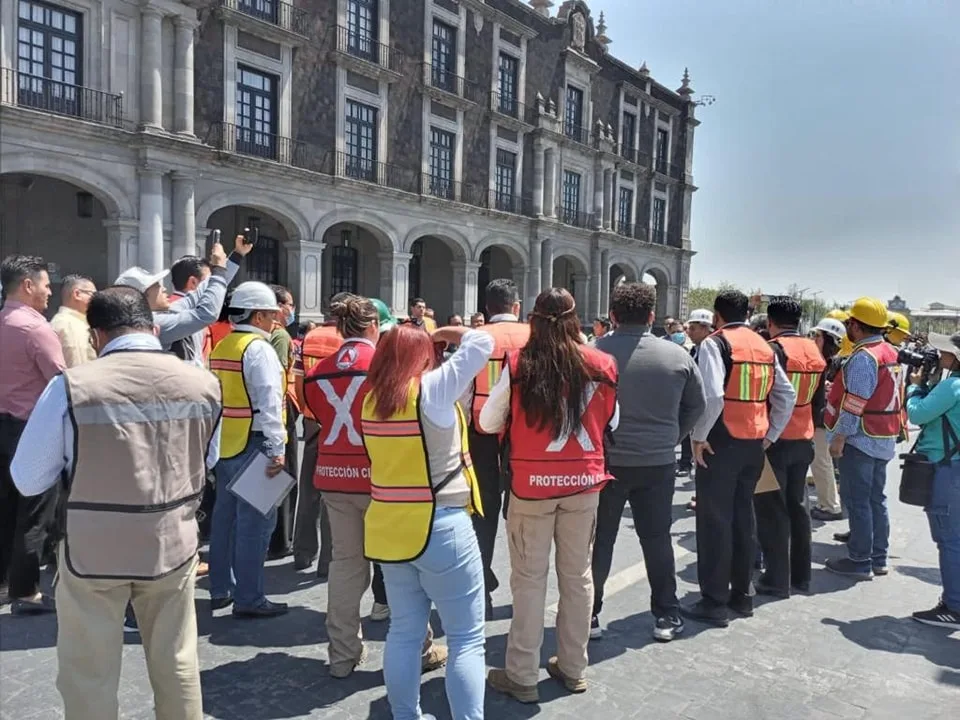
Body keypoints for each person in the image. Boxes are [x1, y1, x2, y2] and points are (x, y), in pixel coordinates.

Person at [10, 286, 220, 720]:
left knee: (89, 673)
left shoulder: (71, 386)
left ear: (96, 336)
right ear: (152, 325)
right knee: (178, 662)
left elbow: (28, 479)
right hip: (172, 543)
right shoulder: (204, 382)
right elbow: (208, 458)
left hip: (93, 549)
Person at [481, 289, 618, 702]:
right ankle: (573, 666)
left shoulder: (521, 363)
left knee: (528, 580)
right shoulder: (603, 363)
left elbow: (489, 421)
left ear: (534, 319)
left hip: (531, 486)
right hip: (583, 483)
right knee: (577, 578)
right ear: (577, 319)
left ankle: (522, 673)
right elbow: (614, 419)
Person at [362, 322, 492, 720]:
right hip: (442, 523)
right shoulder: (432, 390)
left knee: (403, 632)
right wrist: (447, 332)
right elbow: (483, 342)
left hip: (388, 526)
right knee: (467, 639)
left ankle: (406, 716)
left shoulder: (370, 400)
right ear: (425, 356)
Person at [590, 283, 704, 643]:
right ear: (652, 316)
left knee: (601, 540)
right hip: (657, 462)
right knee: (657, 539)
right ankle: (666, 614)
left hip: (606, 462)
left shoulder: (592, 353)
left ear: (612, 315)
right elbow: (697, 406)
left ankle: (589, 614)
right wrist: (672, 437)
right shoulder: (677, 356)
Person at [685, 290, 796, 626]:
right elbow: (786, 396)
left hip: (721, 442)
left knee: (714, 521)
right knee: (743, 517)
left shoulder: (715, 343)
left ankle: (714, 602)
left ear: (717, 316)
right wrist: (770, 435)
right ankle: (742, 596)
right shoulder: (764, 345)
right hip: (753, 442)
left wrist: (699, 436)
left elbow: (714, 394)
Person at [208, 282, 289, 617]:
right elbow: (270, 401)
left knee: (223, 520)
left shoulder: (224, 345)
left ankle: (219, 588)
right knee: (256, 524)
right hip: (255, 441)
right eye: (271, 314)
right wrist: (277, 447)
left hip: (226, 440)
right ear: (258, 315)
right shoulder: (259, 349)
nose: (275, 321)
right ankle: (250, 597)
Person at [0, 254, 65, 615]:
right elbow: (60, 378)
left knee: (6, 506)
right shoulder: (36, 328)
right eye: (44, 284)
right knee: (36, 510)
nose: (48, 290)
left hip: (2, 425)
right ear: (27, 285)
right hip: (32, 429)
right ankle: (25, 590)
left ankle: (5, 581)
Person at [823, 297, 903, 579]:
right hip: (883, 435)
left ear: (856, 326)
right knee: (875, 499)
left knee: (858, 500)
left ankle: (859, 561)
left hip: (861, 437)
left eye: (848, 324)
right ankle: (878, 557)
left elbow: (855, 402)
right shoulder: (890, 352)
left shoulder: (863, 357)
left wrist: (840, 437)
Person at [466, 279, 530, 618]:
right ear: (516, 307)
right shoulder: (533, 336)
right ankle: (525, 595)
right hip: (524, 434)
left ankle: (481, 592)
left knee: (483, 513)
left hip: (481, 435)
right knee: (524, 514)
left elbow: (462, 392)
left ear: (487, 308)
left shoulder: (476, 339)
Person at [753, 297, 826, 598]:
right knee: (798, 507)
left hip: (776, 439)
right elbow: (819, 401)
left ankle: (776, 579)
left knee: (771, 510)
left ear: (771, 323)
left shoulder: (774, 350)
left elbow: (770, 395)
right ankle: (801, 576)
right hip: (804, 437)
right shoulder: (814, 349)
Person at [905, 333, 960, 628]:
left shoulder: (953, 386)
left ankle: (954, 607)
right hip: (955, 467)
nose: (939, 357)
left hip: (947, 469)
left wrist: (916, 388)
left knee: (949, 540)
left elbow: (918, 414)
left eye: (944, 353)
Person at [115, 234, 251, 348]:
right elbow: (206, 315)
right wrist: (219, 270)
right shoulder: (151, 323)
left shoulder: (162, 314)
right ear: (141, 297)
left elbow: (203, 291)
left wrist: (236, 256)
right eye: (156, 286)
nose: (163, 288)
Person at [292, 308, 343, 574]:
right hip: (338, 420)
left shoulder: (310, 337)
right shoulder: (345, 338)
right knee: (333, 491)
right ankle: (328, 560)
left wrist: (306, 410)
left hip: (312, 417)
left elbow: (299, 380)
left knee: (309, 490)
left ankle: (302, 552)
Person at [267, 285, 300, 560]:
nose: (292, 309)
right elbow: (276, 379)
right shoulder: (279, 337)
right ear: (279, 306)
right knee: (285, 477)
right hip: (282, 410)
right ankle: (280, 540)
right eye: (290, 304)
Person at [808, 318, 847, 521]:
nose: (814, 339)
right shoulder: (822, 361)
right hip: (819, 418)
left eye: (818, 336)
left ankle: (830, 506)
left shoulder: (836, 364)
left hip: (823, 420)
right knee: (821, 462)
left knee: (821, 462)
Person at [677, 309, 714, 481]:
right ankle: (686, 463)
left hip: (708, 409)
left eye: (693, 328)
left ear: (706, 328)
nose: (689, 333)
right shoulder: (693, 351)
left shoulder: (714, 350)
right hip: (692, 404)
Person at [168, 255, 213, 366]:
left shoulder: (166, 307)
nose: (213, 287)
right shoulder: (191, 314)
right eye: (209, 282)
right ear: (193, 282)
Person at [50, 274, 97, 367]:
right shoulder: (71, 325)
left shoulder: (63, 321)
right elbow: (78, 369)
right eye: (94, 294)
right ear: (77, 294)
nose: (96, 300)